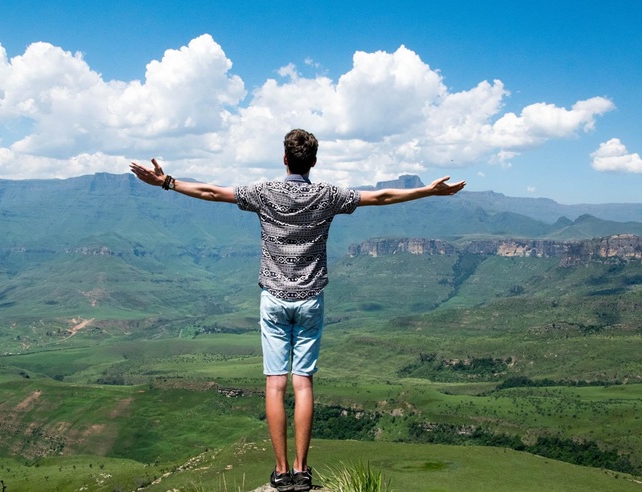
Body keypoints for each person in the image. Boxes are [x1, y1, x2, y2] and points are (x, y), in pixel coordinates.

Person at [130, 129, 465, 491]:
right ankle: (303, 472)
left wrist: (166, 182)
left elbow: (211, 192)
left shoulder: (264, 192)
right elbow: (381, 196)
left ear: (285, 159)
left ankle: (280, 472)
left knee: (275, 384)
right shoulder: (327, 195)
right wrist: (428, 191)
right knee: (302, 383)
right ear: (314, 162)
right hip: (310, 300)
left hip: (273, 299)